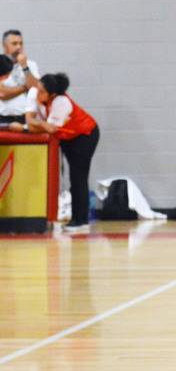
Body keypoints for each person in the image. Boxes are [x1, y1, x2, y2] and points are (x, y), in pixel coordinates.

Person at [15, 73, 99, 234]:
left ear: (52, 95)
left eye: (41, 92)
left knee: (78, 176)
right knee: (73, 176)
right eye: (37, 89)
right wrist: (34, 124)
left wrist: (24, 128)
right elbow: (32, 120)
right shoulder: (34, 92)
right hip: (67, 136)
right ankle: (78, 217)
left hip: (84, 135)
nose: (36, 94)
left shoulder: (62, 103)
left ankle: (80, 220)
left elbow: (48, 128)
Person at [0, 29, 40, 124]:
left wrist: (24, 67)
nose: (19, 47)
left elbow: (35, 89)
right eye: (14, 44)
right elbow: (2, 94)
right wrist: (25, 87)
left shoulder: (30, 65)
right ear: (4, 46)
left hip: (23, 118)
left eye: (21, 44)